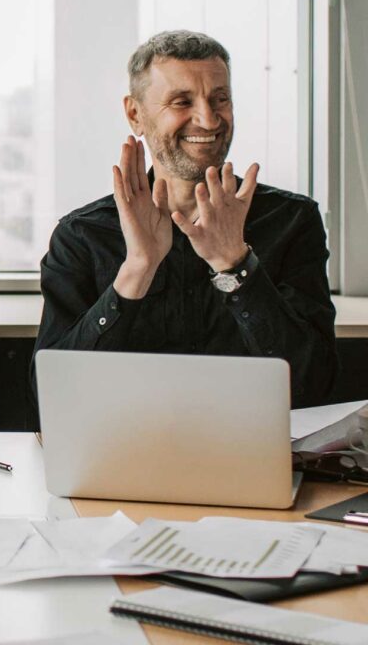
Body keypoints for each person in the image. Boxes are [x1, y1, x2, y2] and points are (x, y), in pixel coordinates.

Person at [32, 30, 336, 410]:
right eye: (182, 101)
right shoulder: (82, 235)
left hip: (252, 459)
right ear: (135, 114)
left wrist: (236, 266)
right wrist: (138, 269)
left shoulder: (292, 220)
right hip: (122, 458)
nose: (208, 120)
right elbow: (52, 398)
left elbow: (315, 384)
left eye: (220, 99)